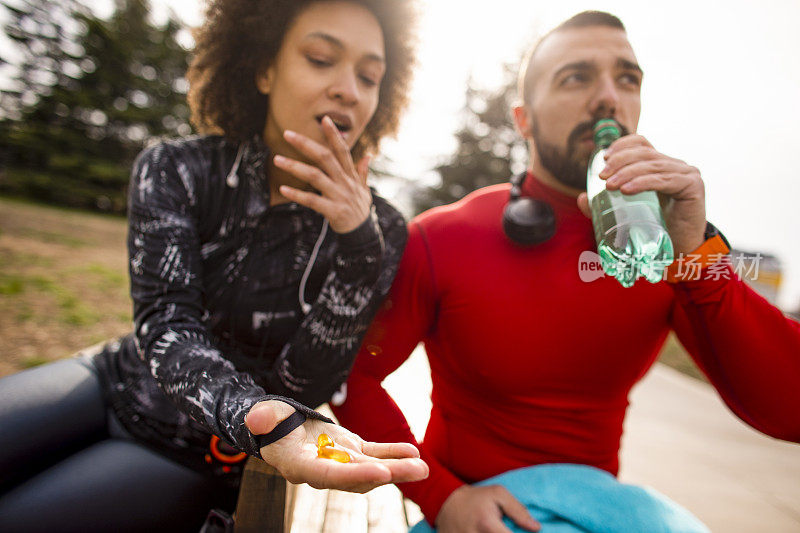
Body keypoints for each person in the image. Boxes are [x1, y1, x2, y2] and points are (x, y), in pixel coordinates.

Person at [331, 10, 800, 533]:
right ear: (524, 119)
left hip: (596, 513)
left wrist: (699, 258)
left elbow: (791, 409)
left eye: (627, 78)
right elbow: (351, 375)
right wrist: (442, 496)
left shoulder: (671, 249)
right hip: (466, 513)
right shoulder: (443, 236)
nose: (608, 97)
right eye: (576, 77)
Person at [0, 0, 428, 531]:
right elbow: (167, 326)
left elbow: (297, 386)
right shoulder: (177, 168)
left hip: (203, 451)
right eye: (321, 58)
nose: (349, 88)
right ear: (264, 68)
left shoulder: (381, 230)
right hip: (113, 380)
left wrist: (359, 251)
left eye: (370, 75)